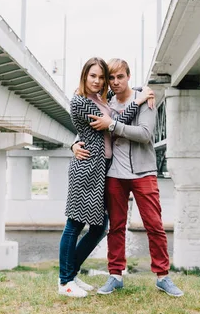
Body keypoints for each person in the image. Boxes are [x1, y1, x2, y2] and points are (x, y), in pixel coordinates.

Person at [72, 58, 184, 297]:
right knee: (116, 227)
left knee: (154, 225)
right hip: (114, 174)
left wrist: (112, 125)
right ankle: (115, 276)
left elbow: (145, 134)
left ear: (128, 76)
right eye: (110, 78)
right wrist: (74, 144)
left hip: (143, 173)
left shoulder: (144, 99)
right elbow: (87, 128)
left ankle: (163, 277)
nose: (114, 82)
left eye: (119, 77)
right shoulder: (106, 101)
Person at [59, 57, 154, 298]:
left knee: (99, 227)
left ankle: (71, 274)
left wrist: (141, 91)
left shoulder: (102, 99)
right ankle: (64, 280)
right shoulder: (81, 102)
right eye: (94, 76)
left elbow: (110, 119)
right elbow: (114, 123)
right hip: (86, 168)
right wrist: (140, 101)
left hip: (102, 170)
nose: (99, 81)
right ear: (84, 76)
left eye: (102, 77)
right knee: (74, 225)